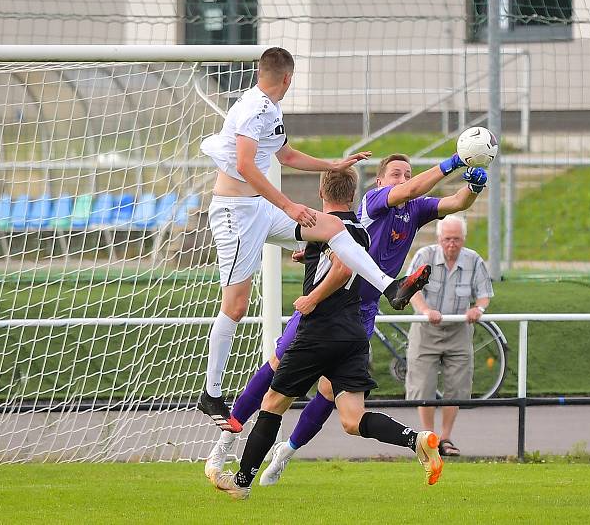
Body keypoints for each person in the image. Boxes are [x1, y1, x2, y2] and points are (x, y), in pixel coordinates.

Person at [197, 48, 446, 432]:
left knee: (333, 229)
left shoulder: (271, 110)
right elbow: (245, 165)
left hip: (260, 210)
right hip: (236, 214)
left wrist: (333, 164)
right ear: (288, 78)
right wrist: (289, 205)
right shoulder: (253, 109)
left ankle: (390, 286)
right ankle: (211, 393)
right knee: (235, 306)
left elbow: (285, 156)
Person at [205, 152, 489, 481]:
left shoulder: (415, 208)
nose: (403, 178)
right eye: (396, 173)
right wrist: (455, 161)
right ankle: (224, 443)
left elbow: (456, 203)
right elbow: (405, 194)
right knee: (277, 367)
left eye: (407, 173)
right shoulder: (376, 199)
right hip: (329, 299)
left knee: (330, 392)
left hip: (360, 312)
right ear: (380, 182)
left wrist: (473, 187)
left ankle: (286, 452)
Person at [405, 214, 494, 457]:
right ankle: (427, 438)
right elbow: (410, 289)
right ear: (438, 238)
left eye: (456, 239)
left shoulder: (473, 259)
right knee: (423, 385)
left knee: (457, 385)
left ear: (463, 239)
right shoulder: (425, 256)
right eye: (447, 239)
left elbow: (484, 293)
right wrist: (425, 310)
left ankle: (445, 437)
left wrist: (479, 308)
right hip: (426, 330)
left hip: (458, 329)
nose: (451, 244)